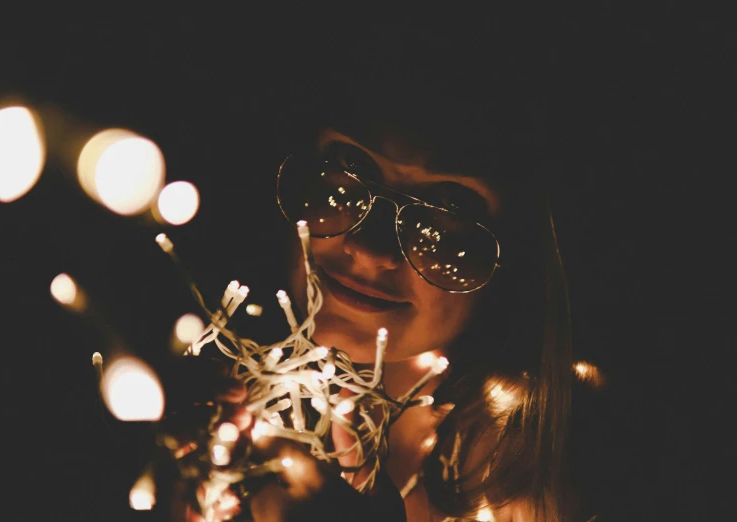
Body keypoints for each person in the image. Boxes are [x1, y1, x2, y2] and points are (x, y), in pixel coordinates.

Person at [171, 18, 609, 522]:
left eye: (448, 211)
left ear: (523, 259)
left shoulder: (561, 470)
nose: (368, 248)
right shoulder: (207, 409)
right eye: (346, 170)